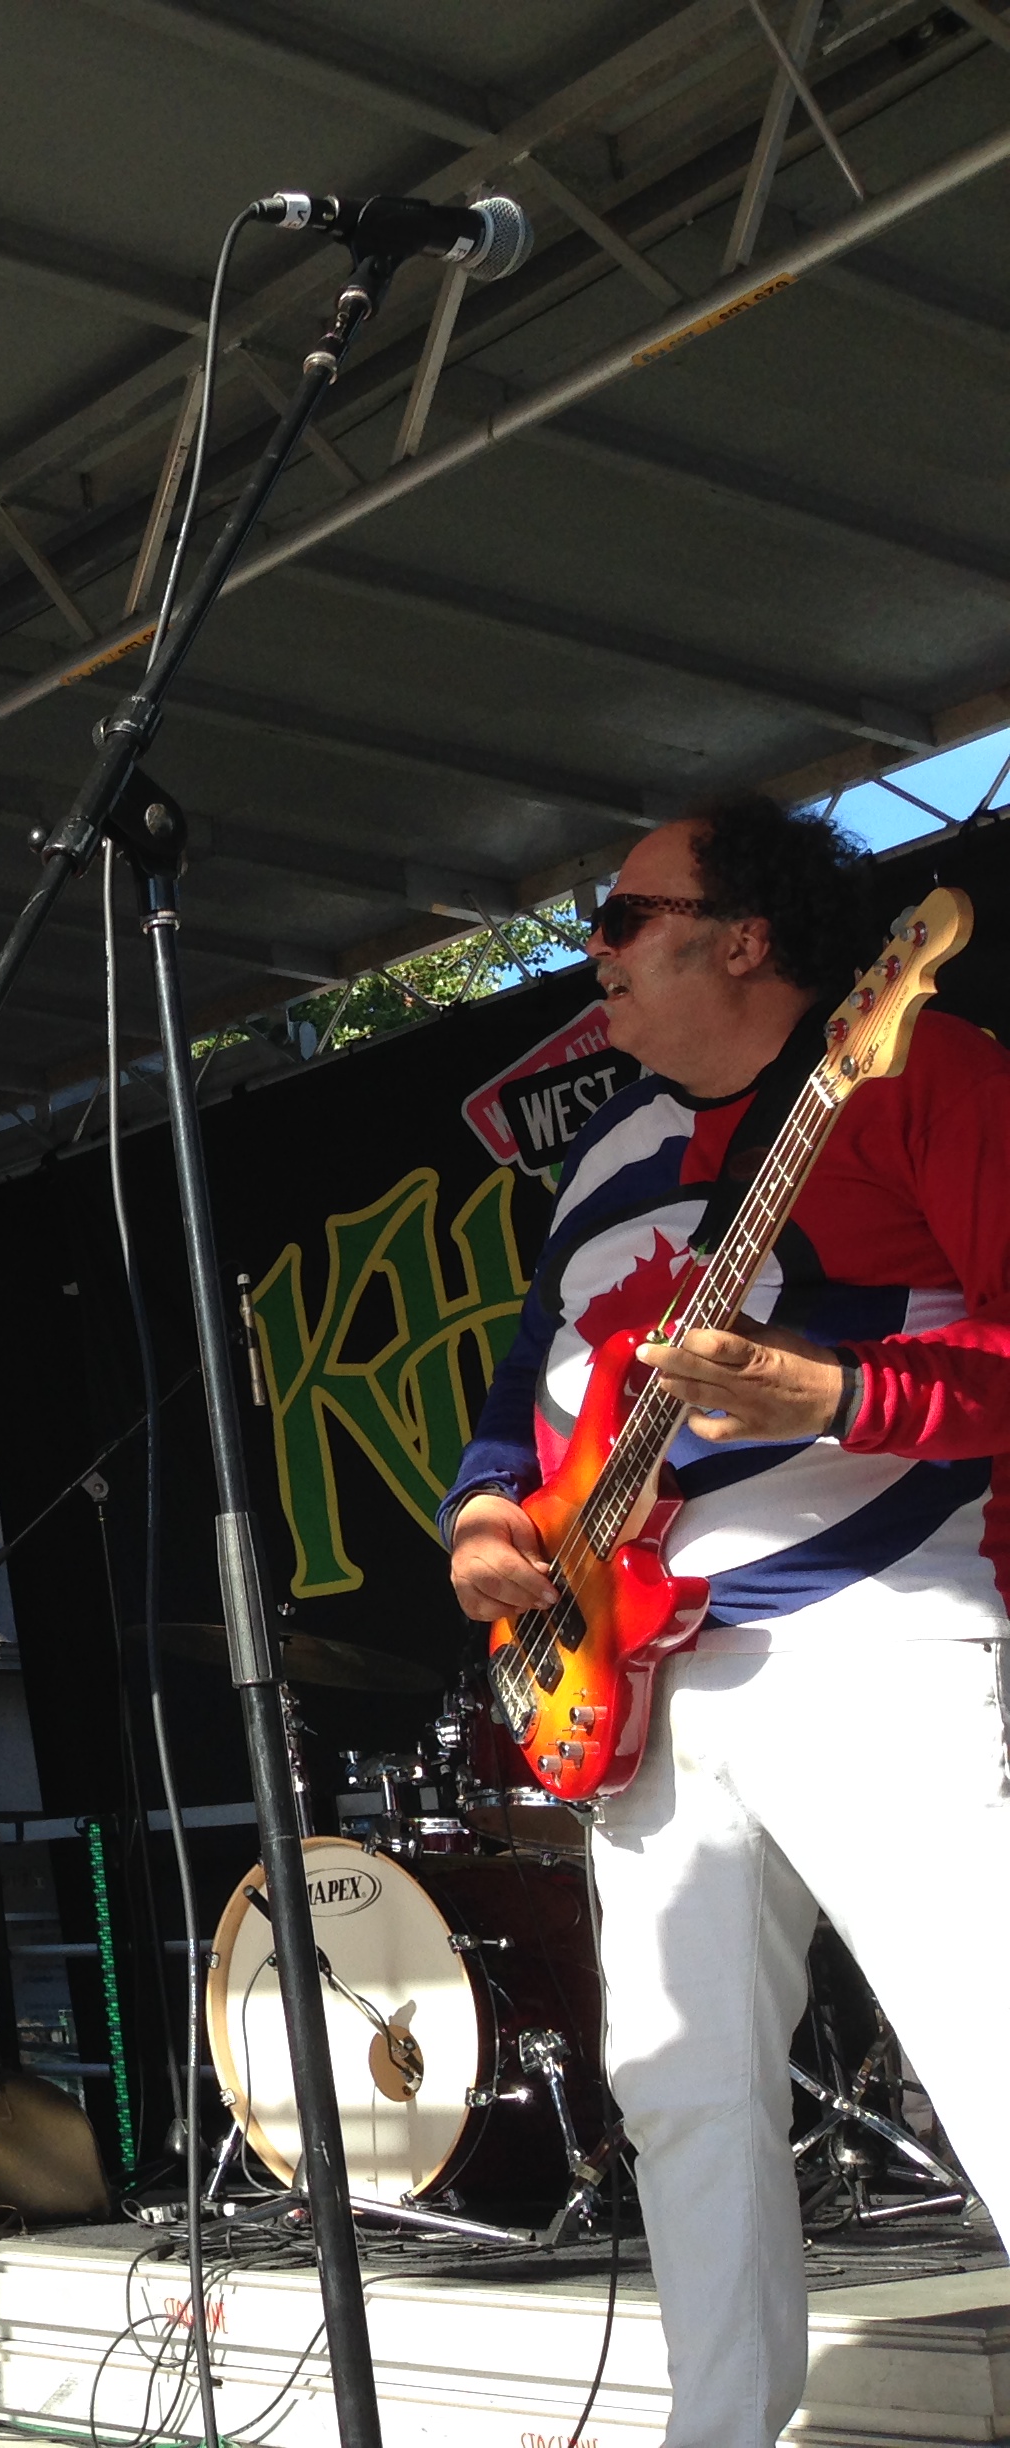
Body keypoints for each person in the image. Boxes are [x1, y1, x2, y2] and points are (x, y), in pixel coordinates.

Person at [443, 795, 1010, 2448]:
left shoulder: (918, 1068)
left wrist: (836, 1391)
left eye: (624, 916)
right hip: (637, 1677)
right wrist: (483, 1512)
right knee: (681, 2096)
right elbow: (524, 1382)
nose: (591, 949)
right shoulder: (606, 1152)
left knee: (986, 2039)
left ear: (743, 936)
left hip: (870, 1633)